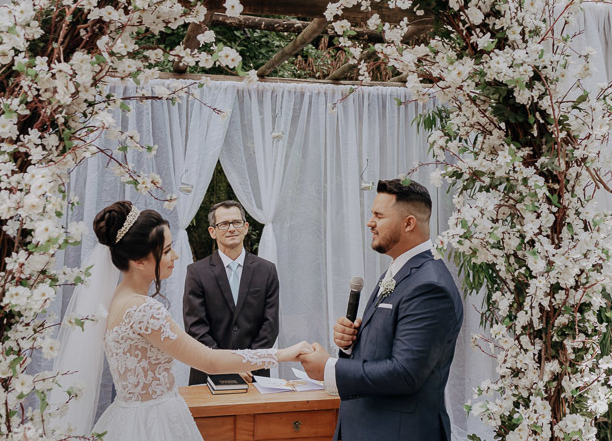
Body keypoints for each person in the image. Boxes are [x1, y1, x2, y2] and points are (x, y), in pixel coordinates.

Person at [87, 201, 310, 441]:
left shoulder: (113, 301)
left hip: (125, 417)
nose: (175, 255)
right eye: (166, 250)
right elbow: (209, 361)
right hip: (154, 423)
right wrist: (285, 354)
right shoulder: (145, 310)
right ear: (140, 261)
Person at [300, 179, 464, 441]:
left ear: (408, 223)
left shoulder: (430, 286)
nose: (370, 222)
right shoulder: (399, 270)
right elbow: (389, 347)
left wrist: (329, 368)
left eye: (378, 215)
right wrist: (352, 343)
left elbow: (405, 373)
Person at [183, 200, 279, 384]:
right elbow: (196, 328)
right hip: (208, 373)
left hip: (254, 373)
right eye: (224, 224)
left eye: (237, 222)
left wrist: (248, 363)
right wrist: (227, 365)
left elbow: (270, 325)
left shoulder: (267, 270)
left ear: (245, 227)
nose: (231, 228)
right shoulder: (196, 272)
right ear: (212, 232)